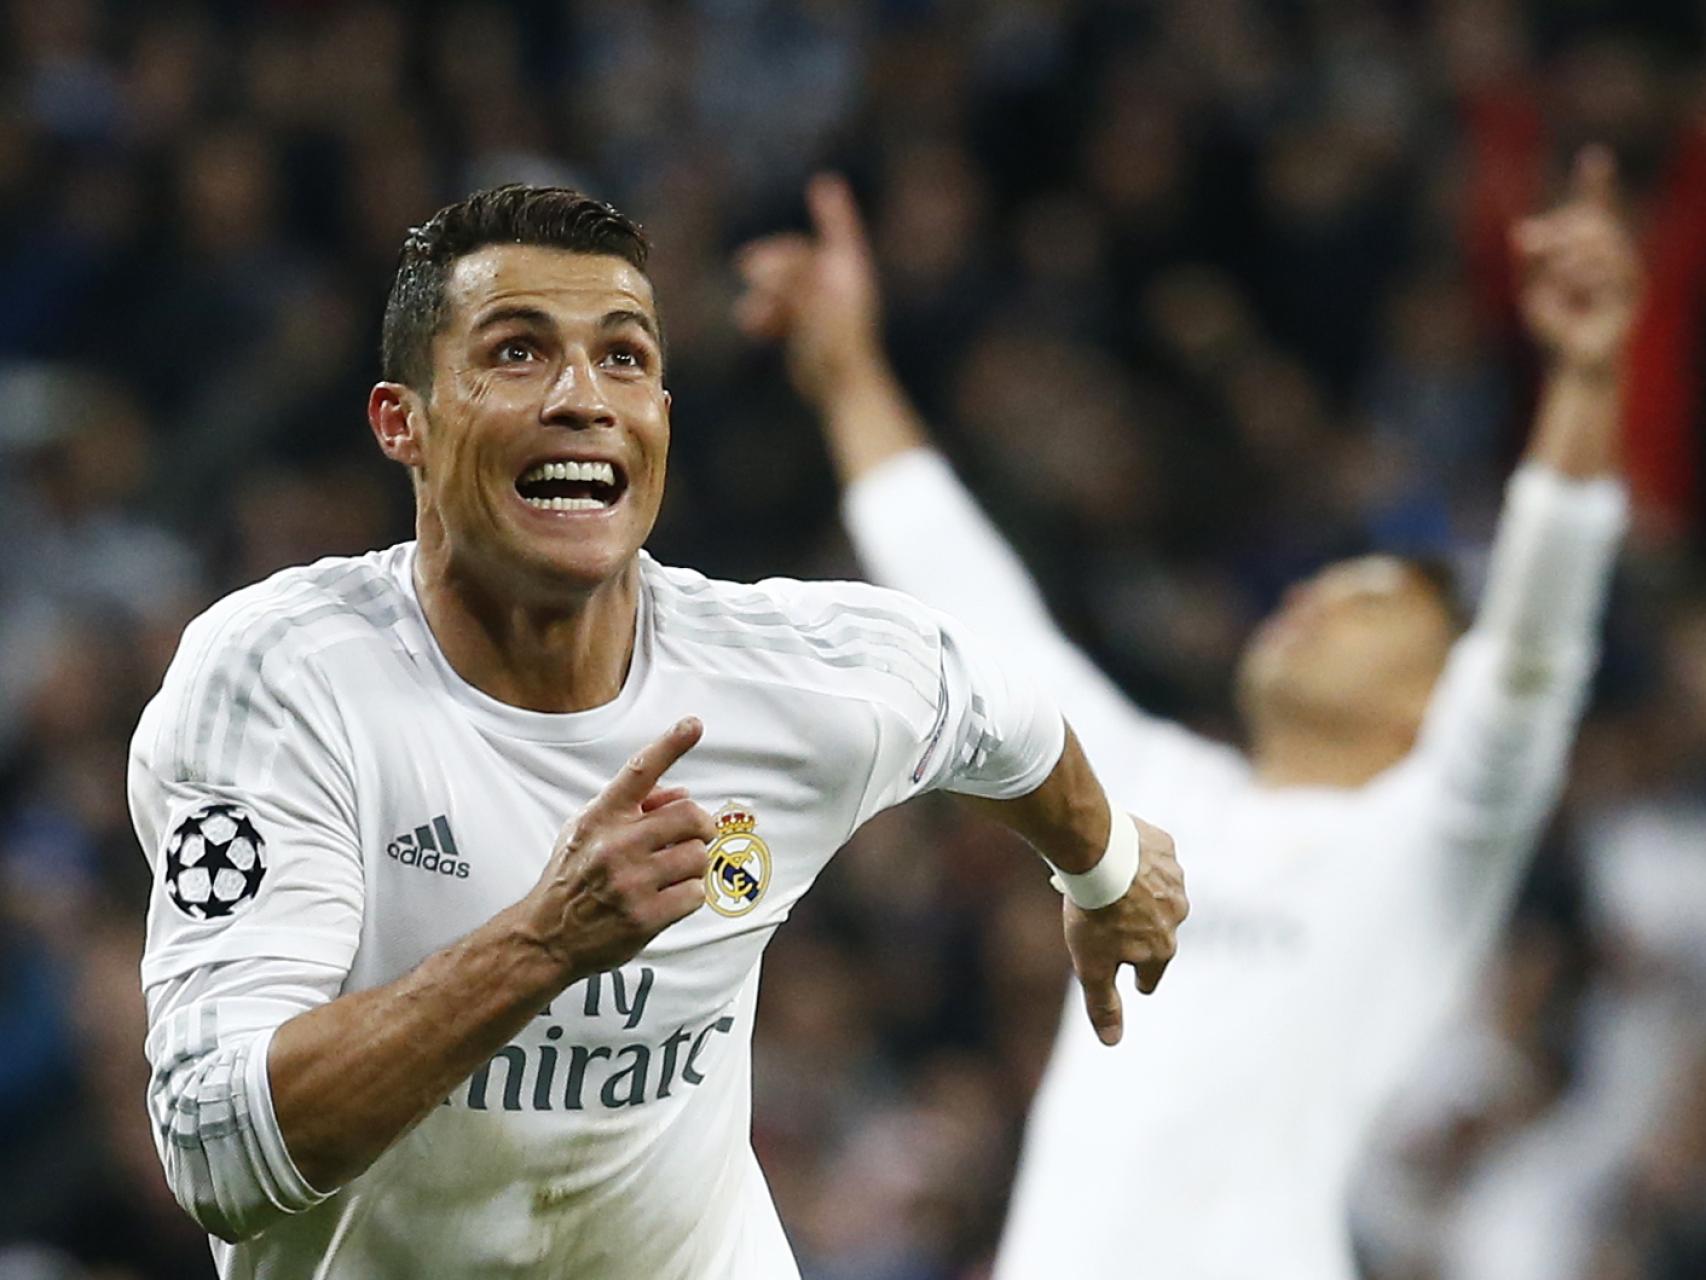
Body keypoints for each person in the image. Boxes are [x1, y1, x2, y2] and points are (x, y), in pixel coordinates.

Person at [128, 186, 1189, 1279]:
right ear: (403, 421)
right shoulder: (287, 683)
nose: (583, 396)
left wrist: (1105, 867)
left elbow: (998, 713)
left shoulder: (790, 674)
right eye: (517, 352)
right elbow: (220, 1148)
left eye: (623, 358)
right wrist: (543, 942)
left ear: (662, 423)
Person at [735, 148, 1636, 1280]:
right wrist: (849, 367)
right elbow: (974, 616)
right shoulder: (1155, 794)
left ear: (1435, 699)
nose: (1312, 599)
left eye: (1370, 603)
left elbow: (1532, 647)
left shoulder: (1422, 836)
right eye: (1317, 582)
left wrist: (1587, 381)